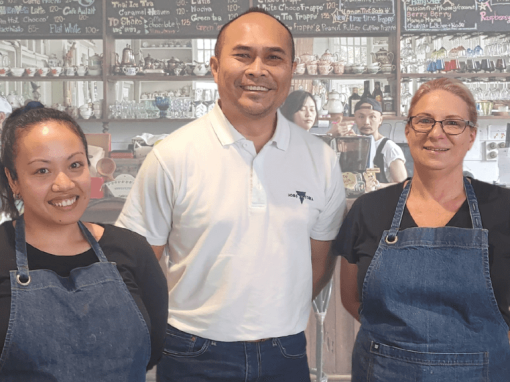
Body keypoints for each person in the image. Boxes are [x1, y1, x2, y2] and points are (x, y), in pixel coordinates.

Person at [116, 7, 345, 382]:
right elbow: (138, 267)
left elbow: (318, 262)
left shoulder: (320, 158)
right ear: (215, 66)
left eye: (274, 57)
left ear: (291, 69)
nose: (258, 69)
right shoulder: (172, 155)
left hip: (285, 351)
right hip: (192, 352)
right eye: (243, 55)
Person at [334, 78, 510, 381]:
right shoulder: (369, 210)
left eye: (452, 123)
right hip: (383, 371)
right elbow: (351, 299)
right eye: (424, 120)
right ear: (407, 130)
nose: (436, 132)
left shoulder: (503, 208)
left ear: (471, 136)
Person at [0, 103, 168, 381]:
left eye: (75, 165)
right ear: (13, 180)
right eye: (42, 171)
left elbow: (152, 350)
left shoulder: (132, 250)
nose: (64, 183)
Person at [328, 97, 407, 187]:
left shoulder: (389, 148)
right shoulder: (350, 143)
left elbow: (403, 186)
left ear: (380, 120)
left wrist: (377, 186)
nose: (366, 122)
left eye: (372, 117)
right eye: (361, 117)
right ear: (355, 119)